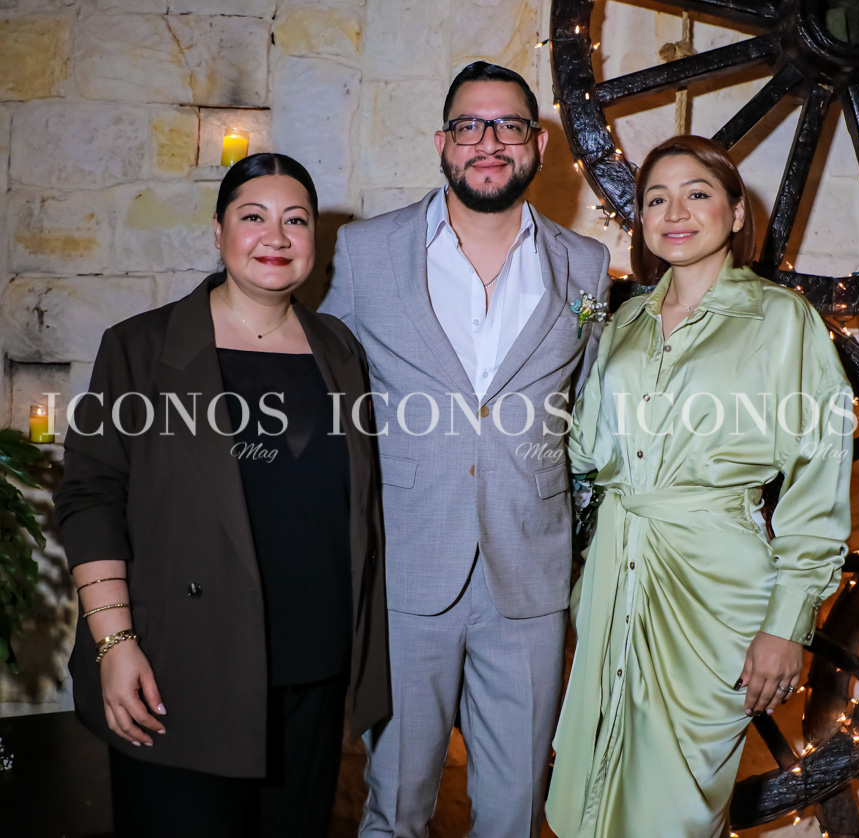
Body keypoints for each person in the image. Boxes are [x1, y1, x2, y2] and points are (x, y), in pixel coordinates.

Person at [54, 153, 391, 838]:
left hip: (313, 674)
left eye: (296, 220)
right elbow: (90, 497)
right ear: (218, 231)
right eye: (253, 217)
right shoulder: (139, 348)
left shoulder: (339, 349)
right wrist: (114, 642)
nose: (276, 237)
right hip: (180, 670)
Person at [321, 61, 611, 838]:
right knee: (397, 806)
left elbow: (587, 404)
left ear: (538, 144)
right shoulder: (366, 251)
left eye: (508, 125)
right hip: (407, 568)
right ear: (442, 143)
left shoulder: (585, 265)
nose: (488, 142)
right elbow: (321, 387)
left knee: (515, 813)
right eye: (469, 126)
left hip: (530, 577)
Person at [545, 135, 853, 837]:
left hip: (714, 597)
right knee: (590, 798)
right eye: (656, 198)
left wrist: (786, 624)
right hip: (612, 579)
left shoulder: (782, 321)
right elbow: (583, 452)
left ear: (737, 213)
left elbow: (818, 480)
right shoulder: (623, 321)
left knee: (676, 813)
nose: (674, 212)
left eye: (697, 193)